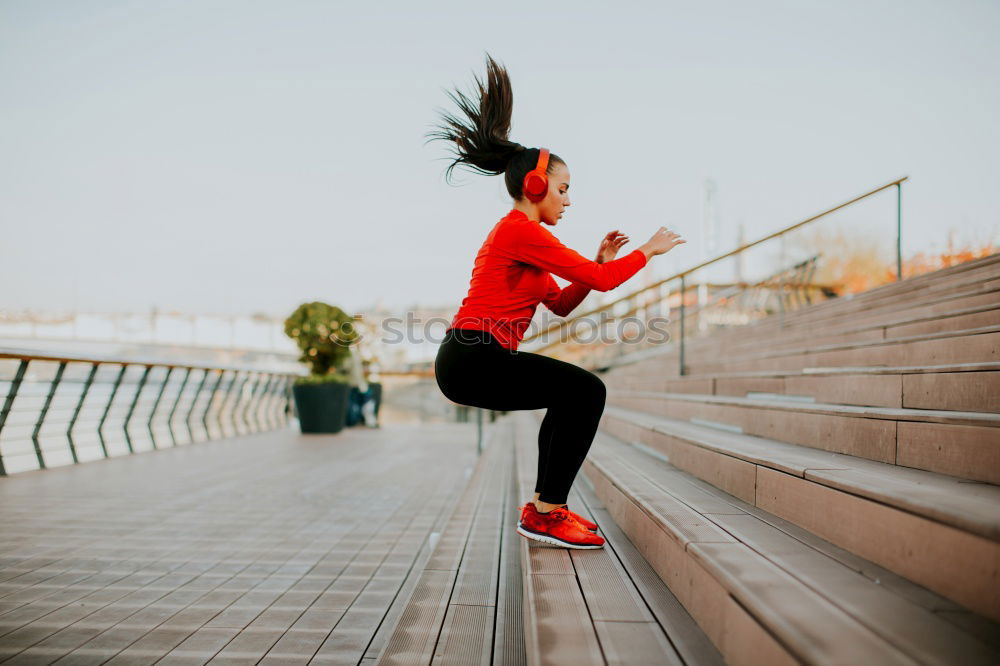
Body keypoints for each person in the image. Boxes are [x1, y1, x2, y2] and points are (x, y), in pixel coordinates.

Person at [430, 55, 685, 549]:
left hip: (473, 358)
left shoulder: (526, 243)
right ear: (536, 185)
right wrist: (647, 251)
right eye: (563, 190)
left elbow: (564, 303)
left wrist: (595, 263)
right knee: (585, 391)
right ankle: (548, 512)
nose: (568, 201)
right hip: (471, 355)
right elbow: (607, 281)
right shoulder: (520, 230)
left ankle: (547, 508)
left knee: (572, 393)